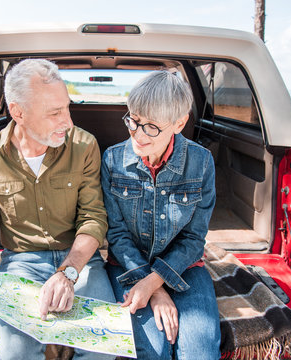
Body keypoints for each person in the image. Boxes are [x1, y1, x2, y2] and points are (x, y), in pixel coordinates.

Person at [0, 59, 115, 360]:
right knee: (15, 354)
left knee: (102, 348)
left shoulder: (85, 145)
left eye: (67, 107)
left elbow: (93, 218)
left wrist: (68, 273)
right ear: (18, 112)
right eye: (55, 113)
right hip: (21, 262)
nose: (68, 121)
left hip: (81, 261)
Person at [101, 71, 221, 359]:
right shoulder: (112, 159)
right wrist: (154, 289)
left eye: (152, 127)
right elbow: (116, 234)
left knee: (200, 351)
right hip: (127, 266)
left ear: (179, 123)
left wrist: (154, 282)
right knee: (152, 350)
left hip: (185, 267)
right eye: (133, 120)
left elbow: (194, 239)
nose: (138, 135)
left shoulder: (201, 162)